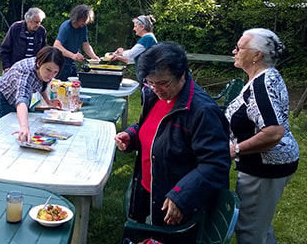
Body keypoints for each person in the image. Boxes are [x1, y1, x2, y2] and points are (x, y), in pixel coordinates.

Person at [115, 42, 230, 243]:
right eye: (150, 82)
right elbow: (153, 126)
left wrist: (182, 196)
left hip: (177, 202)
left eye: (163, 83)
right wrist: (133, 134)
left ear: (183, 74)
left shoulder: (202, 111)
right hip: (151, 190)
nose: (156, 88)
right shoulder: (154, 95)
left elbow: (216, 164)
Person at [225, 28, 299, 244]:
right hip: (278, 162)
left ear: (257, 55)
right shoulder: (266, 76)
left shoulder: (261, 86)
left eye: (239, 47)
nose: (234, 51)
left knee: (249, 231)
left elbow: (274, 132)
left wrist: (236, 149)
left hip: (265, 168)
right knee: (260, 223)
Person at [0, 46, 64, 142]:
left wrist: (48, 101)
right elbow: (21, 101)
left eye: (55, 72)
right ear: (39, 63)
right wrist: (24, 127)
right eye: (48, 70)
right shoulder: (25, 73)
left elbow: (42, 84)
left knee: (26, 122)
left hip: (20, 96)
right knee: (12, 126)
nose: (51, 75)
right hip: (5, 95)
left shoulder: (45, 69)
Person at [53, 4, 99, 81]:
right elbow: (56, 45)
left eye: (86, 20)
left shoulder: (83, 28)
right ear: (77, 17)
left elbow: (86, 45)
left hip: (73, 64)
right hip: (61, 64)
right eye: (83, 20)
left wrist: (93, 57)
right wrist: (73, 56)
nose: (85, 22)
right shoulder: (66, 27)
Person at [0, 7, 47, 72]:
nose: (38, 25)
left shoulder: (41, 31)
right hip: (15, 67)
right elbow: (5, 49)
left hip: (33, 68)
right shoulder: (16, 28)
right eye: (36, 22)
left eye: (40, 22)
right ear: (28, 21)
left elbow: (43, 51)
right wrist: (6, 66)